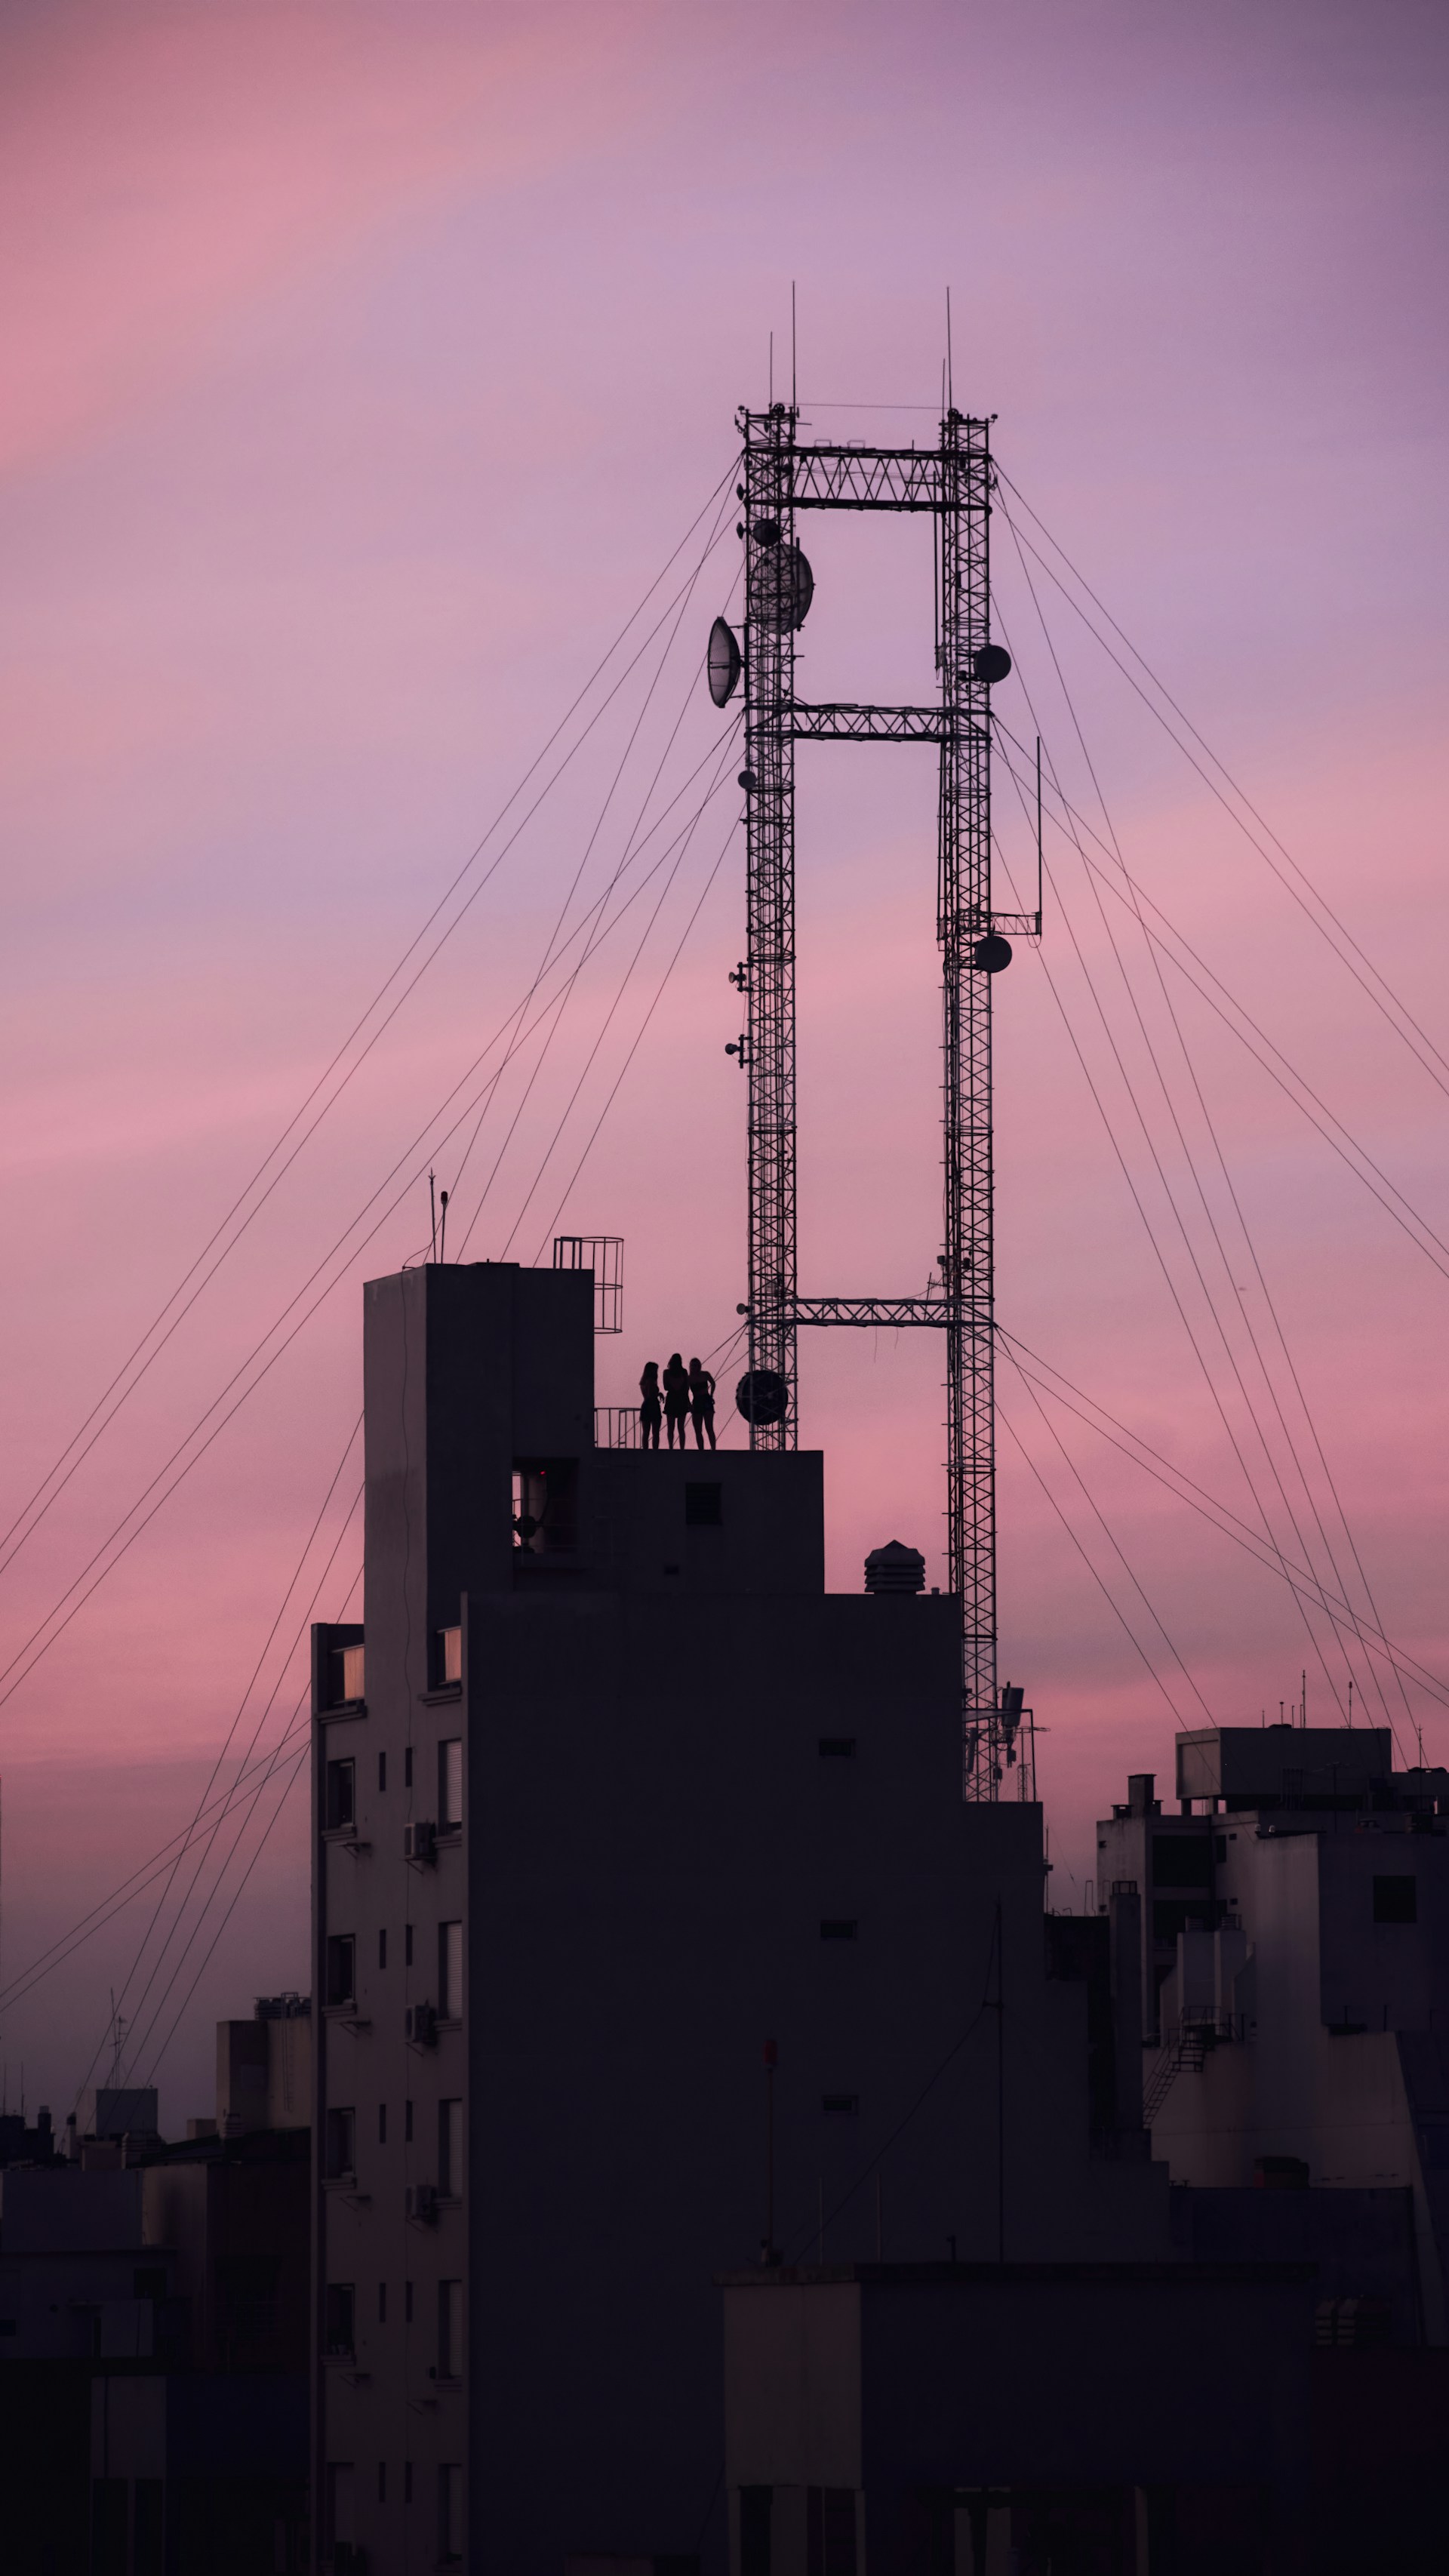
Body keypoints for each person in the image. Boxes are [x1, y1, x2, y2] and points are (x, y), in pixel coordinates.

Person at [662, 1352, 691, 1450]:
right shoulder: (684, 1372)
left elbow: (666, 1387)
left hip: (672, 1399)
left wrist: (673, 1386)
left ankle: (671, 1447)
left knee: (671, 1427)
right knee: (681, 1427)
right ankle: (681, 1448)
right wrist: (688, 1402)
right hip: (681, 1399)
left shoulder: (666, 1372)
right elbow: (687, 1388)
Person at [688, 1356, 716, 1451]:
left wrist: (711, 1395)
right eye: (692, 1366)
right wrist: (689, 1405)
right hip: (696, 1401)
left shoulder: (705, 1374)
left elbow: (713, 1383)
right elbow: (685, 1392)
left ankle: (713, 1449)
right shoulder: (689, 1378)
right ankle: (701, 1450)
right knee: (698, 1429)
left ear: (699, 1366)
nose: (694, 1367)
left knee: (709, 1427)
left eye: (696, 1365)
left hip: (706, 1399)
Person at [639, 1360, 662, 1451]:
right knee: (655, 1432)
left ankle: (645, 1451)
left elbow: (647, 1395)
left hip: (645, 1405)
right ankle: (654, 1452)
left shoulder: (643, 1382)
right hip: (653, 1405)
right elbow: (651, 1395)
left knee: (646, 1432)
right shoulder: (651, 1381)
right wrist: (659, 1394)